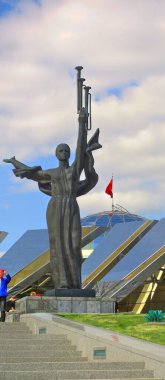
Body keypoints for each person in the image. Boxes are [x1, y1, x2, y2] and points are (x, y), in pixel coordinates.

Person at [3, 108, 101, 289]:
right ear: (56, 154)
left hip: (71, 205)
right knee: (57, 245)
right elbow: (34, 174)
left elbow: (81, 149)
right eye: (60, 150)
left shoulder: (74, 170)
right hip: (55, 206)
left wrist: (81, 123)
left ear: (69, 154)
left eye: (66, 150)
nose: (63, 152)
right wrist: (15, 162)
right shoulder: (51, 173)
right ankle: (62, 284)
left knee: (73, 244)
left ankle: (74, 284)